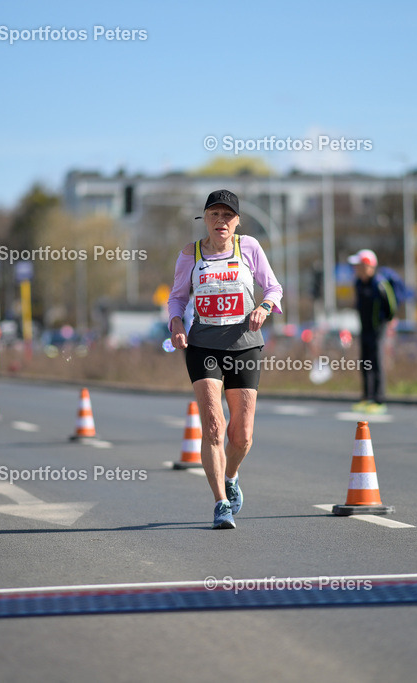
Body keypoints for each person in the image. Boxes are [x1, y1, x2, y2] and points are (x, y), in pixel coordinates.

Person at [168, 190, 283, 529]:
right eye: (214, 214)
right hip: (203, 345)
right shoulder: (190, 254)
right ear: (205, 219)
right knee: (214, 427)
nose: (221, 221)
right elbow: (177, 298)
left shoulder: (249, 247)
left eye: (228, 215)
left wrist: (264, 307)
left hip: (244, 345)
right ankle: (221, 503)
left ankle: (231, 476)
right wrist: (176, 323)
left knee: (242, 435)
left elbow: (273, 288)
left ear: (238, 221)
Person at [348, 248, 395, 414]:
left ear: (368, 266)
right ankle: (367, 398)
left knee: (376, 363)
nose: (355, 269)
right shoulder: (358, 284)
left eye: (358, 265)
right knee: (365, 363)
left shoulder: (380, 284)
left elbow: (391, 307)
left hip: (377, 330)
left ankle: (379, 400)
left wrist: (384, 323)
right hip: (364, 329)